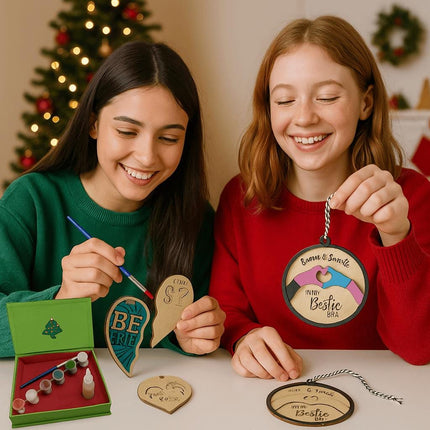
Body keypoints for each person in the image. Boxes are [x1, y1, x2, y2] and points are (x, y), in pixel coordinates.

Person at [209, 15, 430, 382]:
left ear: (366, 102)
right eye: (284, 99)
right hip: (271, 393)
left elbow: (420, 347)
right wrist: (244, 337)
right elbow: (227, 311)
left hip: (381, 398)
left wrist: (395, 235)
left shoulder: (412, 198)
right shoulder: (241, 198)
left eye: (327, 97)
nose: (305, 117)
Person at [0, 40, 225, 357]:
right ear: (93, 123)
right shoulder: (32, 201)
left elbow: (187, 338)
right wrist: (62, 300)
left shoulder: (195, 219)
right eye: (127, 131)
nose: (147, 157)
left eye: (169, 138)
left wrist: (192, 338)